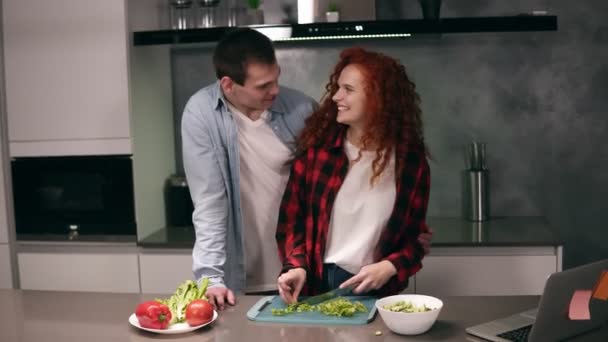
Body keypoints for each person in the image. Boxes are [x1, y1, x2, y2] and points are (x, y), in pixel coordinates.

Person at [182, 28, 433, 310]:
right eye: (263, 86)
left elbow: (411, 236)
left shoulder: (302, 110)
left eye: (276, 79)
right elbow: (212, 204)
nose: (275, 90)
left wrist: (396, 260)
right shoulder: (203, 115)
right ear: (228, 85)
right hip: (282, 271)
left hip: (338, 278)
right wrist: (211, 276)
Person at [276, 47, 430, 304]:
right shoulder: (318, 154)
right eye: (337, 87)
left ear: (378, 97)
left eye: (348, 89)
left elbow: (416, 238)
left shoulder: (410, 162)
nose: (336, 96)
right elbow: (291, 222)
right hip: (316, 282)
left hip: (376, 289)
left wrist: (390, 267)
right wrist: (296, 267)